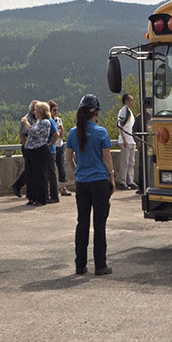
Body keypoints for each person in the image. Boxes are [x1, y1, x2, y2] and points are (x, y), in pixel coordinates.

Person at [64, 93, 115, 275]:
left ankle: (80, 264)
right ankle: (100, 265)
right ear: (96, 113)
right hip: (99, 181)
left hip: (82, 183)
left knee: (82, 223)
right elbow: (107, 159)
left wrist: (78, 170)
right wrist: (111, 177)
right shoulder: (101, 132)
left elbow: (68, 158)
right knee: (99, 224)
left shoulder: (72, 132)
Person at [20, 101, 55, 206]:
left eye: (36, 110)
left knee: (40, 175)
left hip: (39, 150)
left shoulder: (45, 122)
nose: (34, 112)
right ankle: (33, 197)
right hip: (31, 150)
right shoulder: (38, 122)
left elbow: (34, 131)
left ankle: (41, 198)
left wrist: (26, 122)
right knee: (32, 175)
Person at [115, 93, 140, 190]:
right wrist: (124, 139)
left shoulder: (129, 111)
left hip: (131, 140)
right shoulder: (123, 111)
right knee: (124, 162)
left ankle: (130, 180)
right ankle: (122, 181)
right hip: (126, 140)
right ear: (126, 101)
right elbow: (120, 126)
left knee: (131, 162)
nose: (132, 102)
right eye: (130, 100)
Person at [12, 104, 33, 198]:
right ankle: (18, 186)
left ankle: (19, 186)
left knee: (30, 169)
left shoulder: (34, 118)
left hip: (32, 147)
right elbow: (24, 135)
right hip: (27, 147)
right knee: (30, 169)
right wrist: (26, 147)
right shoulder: (26, 119)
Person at [49, 100, 68, 197]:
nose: (56, 112)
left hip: (59, 146)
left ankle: (63, 188)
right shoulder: (48, 121)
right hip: (52, 147)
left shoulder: (59, 120)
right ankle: (51, 189)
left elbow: (61, 133)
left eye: (57, 110)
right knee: (51, 169)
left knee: (61, 167)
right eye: (54, 110)